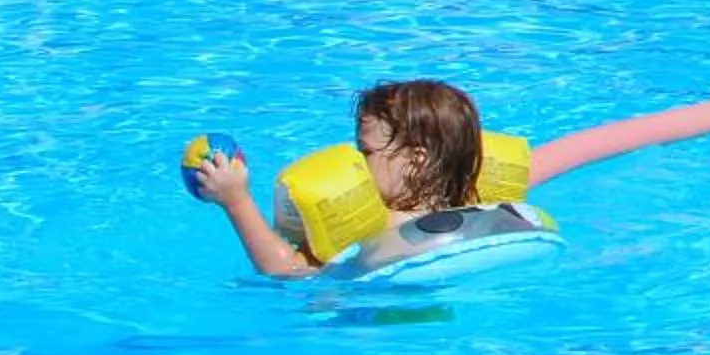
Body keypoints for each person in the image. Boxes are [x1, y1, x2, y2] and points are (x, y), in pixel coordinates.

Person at [190, 78, 540, 279]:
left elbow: (286, 270)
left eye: (366, 152)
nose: (356, 162)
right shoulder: (473, 205)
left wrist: (236, 201)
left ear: (416, 160)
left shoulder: (370, 226)